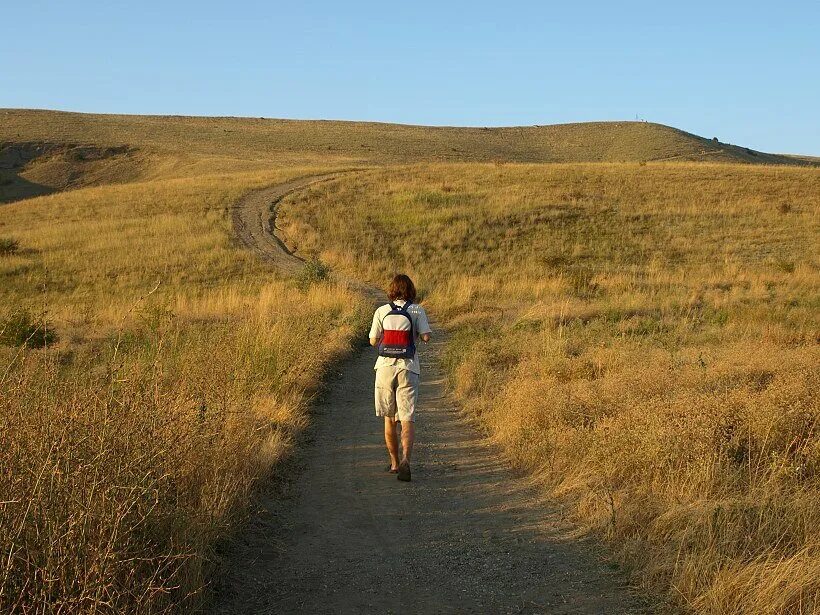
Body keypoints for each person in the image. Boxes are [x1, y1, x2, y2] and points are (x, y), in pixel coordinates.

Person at [368, 274, 432, 482]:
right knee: (407, 417)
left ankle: (394, 463)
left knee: (389, 418)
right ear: (411, 290)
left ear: (392, 290)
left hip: (385, 367)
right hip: (409, 367)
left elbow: (372, 341)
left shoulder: (382, 310)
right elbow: (426, 337)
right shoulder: (417, 310)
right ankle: (406, 460)